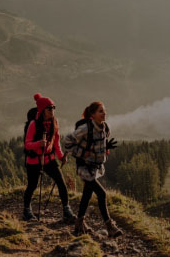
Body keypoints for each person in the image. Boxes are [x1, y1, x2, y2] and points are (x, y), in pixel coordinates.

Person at [64, 101, 122, 238]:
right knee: (102, 194)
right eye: (101, 111)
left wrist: (105, 147)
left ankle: (79, 225)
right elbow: (67, 141)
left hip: (95, 167)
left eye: (104, 110)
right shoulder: (85, 128)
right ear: (92, 114)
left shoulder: (105, 128)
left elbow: (97, 143)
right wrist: (80, 153)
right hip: (84, 167)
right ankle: (110, 227)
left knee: (87, 195)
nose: (104, 113)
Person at [23, 93, 76, 223]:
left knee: (61, 183)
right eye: (49, 108)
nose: (52, 110)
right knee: (32, 185)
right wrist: (38, 144)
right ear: (42, 110)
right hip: (34, 160)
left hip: (49, 159)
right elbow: (27, 144)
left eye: (53, 107)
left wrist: (61, 156)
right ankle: (26, 211)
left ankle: (66, 210)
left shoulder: (54, 122)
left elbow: (56, 142)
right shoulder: (33, 125)